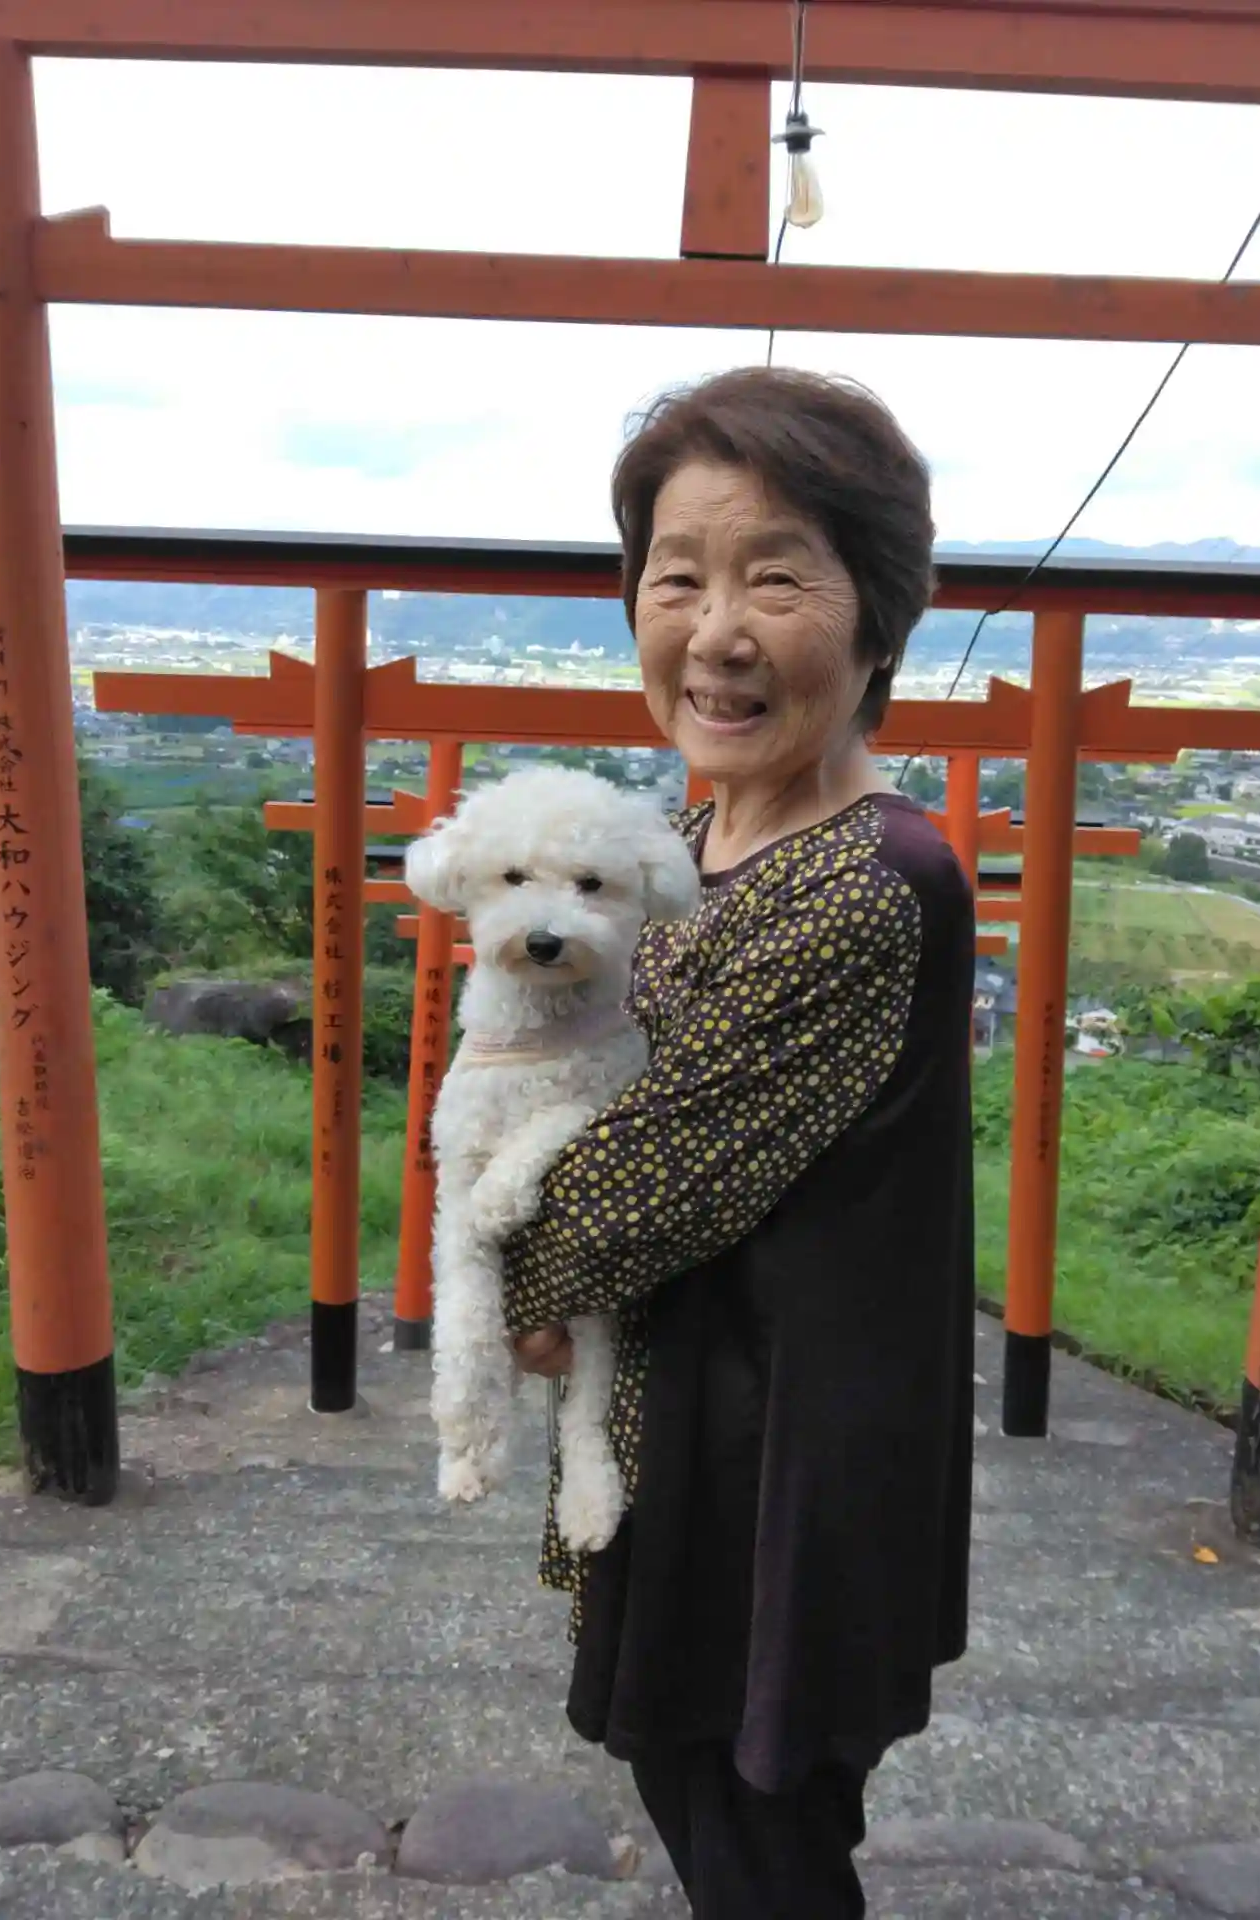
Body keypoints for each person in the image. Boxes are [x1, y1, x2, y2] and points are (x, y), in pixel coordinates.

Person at [501, 365, 975, 1919]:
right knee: (700, 1802)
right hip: (690, 1423)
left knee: (762, 1843)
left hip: (783, 1467)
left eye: (776, 579)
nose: (715, 632)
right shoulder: (696, 840)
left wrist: (506, 1268)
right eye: (676, 578)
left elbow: (639, 1183)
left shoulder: (869, 879)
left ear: (878, 616)